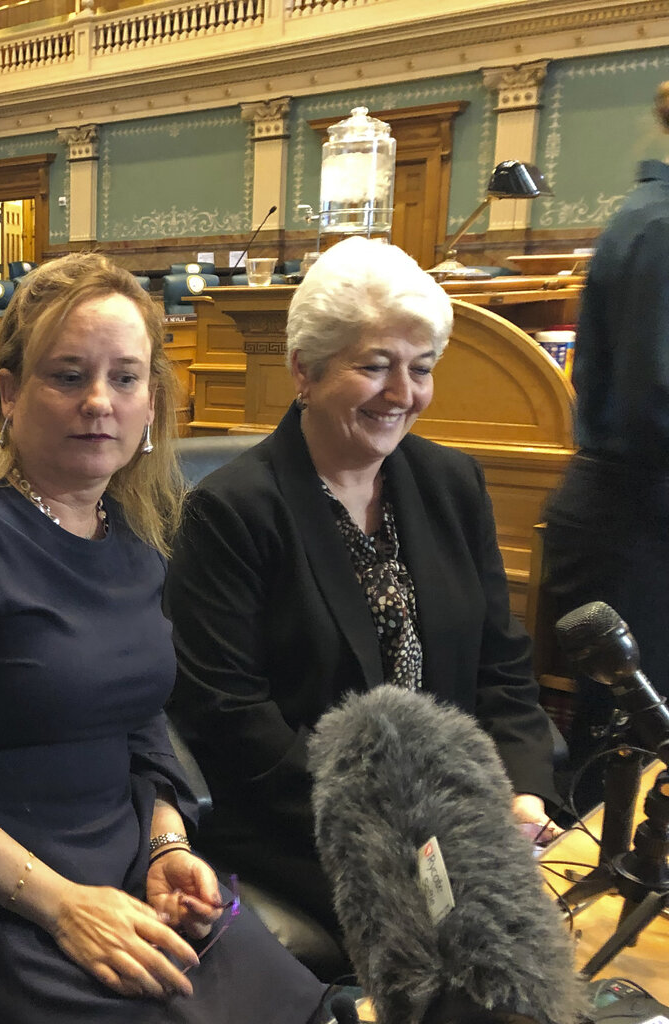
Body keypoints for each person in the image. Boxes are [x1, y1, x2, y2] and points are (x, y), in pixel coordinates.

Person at [0, 253, 328, 1024]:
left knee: (290, 1006)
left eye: (125, 378)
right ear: (10, 393)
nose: (99, 402)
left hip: (114, 857)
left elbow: (139, 714)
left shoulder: (131, 530)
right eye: (68, 375)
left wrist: (166, 842)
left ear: (151, 401)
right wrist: (62, 906)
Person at [165, 236, 562, 937]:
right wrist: (402, 825)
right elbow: (231, 722)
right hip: (308, 821)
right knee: (468, 939)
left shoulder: (453, 483)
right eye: (375, 366)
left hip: (455, 812)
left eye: (421, 368)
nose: (403, 394)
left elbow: (501, 667)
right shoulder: (231, 510)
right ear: (304, 370)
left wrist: (522, 794)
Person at [544, 82, 669, 763]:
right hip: (634, 521)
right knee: (630, 757)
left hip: (638, 511)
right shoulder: (660, 227)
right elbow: (654, 401)